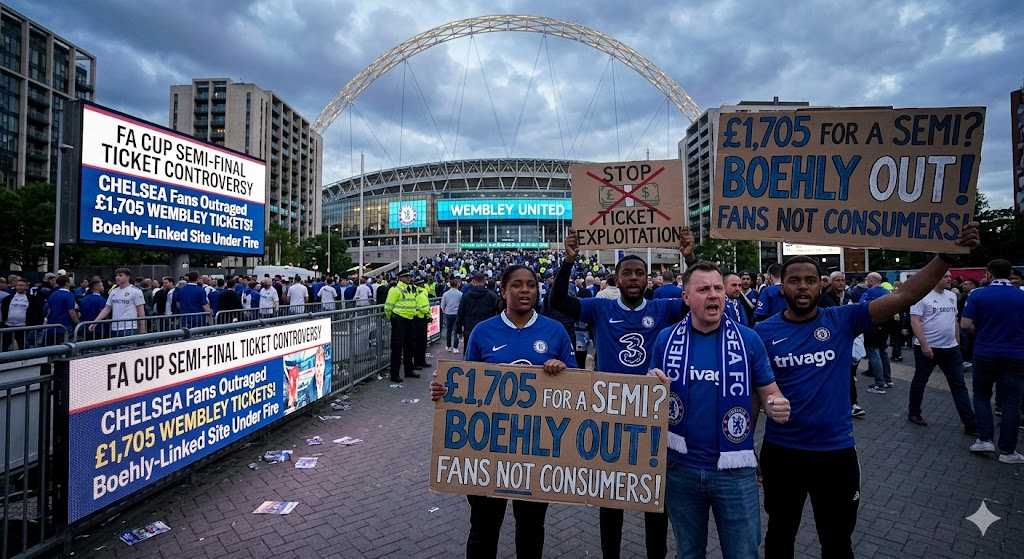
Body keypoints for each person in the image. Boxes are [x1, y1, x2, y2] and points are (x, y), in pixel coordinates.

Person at [754, 221, 979, 559]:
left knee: (837, 540)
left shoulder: (842, 319)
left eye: (811, 280)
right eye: (794, 280)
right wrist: (752, 448)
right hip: (782, 453)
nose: (803, 287)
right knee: (780, 534)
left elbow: (904, 295)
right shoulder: (762, 332)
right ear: (780, 287)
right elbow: (754, 393)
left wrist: (946, 256)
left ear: (821, 285)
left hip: (836, 454)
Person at [550, 226, 696, 559]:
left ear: (648, 279)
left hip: (653, 416)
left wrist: (689, 258)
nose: (633, 278)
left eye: (639, 273)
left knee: (654, 500)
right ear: (615, 278)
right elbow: (557, 301)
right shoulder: (600, 309)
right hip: (609, 414)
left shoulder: (664, 309)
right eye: (626, 273)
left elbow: (698, 299)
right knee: (610, 497)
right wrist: (568, 262)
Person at [428, 264, 576, 559]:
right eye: (517, 285)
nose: (525, 291)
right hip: (488, 448)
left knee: (531, 527)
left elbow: (576, 388)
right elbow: (466, 385)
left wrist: (563, 371)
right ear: (504, 290)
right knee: (483, 527)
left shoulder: (554, 330)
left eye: (531, 285)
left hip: (536, 449)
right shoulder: (484, 332)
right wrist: (444, 390)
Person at [648, 261, 790, 559]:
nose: (713, 295)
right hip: (680, 468)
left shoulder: (748, 339)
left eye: (717, 288)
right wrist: (650, 385)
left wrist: (776, 404)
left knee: (743, 554)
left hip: (734, 471)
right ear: (686, 297)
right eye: (703, 289)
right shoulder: (666, 339)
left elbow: (770, 391)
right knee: (688, 553)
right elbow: (652, 393)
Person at [962, 259, 1024, 463]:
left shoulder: (978, 294)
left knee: (981, 396)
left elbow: (965, 324)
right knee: (1011, 402)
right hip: (1015, 354)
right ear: (1010, 274)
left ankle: (985, 439)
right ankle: (1008, 451)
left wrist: (980, 332)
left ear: (989, 274)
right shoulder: (1021, 295)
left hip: (985, 352)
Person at [906, 271, 977, 434]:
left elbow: (954, 320)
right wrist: (924, 345)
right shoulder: (922, 296)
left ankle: (970, 423)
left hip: (951, 349)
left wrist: (957, 340)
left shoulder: (952, 297)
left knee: (959, 386)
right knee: (920, 381)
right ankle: (914, 412)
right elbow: (915, 321)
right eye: (945, 276)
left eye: (950, 276)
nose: (950, 279)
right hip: (927, 349)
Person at [817, 271, 863, 418]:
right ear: (831, 282)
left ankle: (852, 403)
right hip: (827, 342)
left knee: (847, 373)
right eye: (837, 280)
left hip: (844, 341)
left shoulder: (848, 296)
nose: (841, 283)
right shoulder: (824, 298)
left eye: (843, 280)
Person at [385, 270, 420, 383]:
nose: (408, 278)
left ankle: (408, 371)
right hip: (399, 321)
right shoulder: (395, 290)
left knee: (410, 347)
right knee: (397, 348)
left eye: (409, 276)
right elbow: (388, 307)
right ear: (400, 278)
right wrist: (393, 319)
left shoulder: (410, 289)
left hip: (410, 320)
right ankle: (394, 374)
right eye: (406, 276)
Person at [91, 268, 147, 337]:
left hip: (129, 328)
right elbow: (107, 309)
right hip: (115, 327)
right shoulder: (113, 291)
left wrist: (142, 328)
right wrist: (95, 322)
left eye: (120, 275)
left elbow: (141, 311)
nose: (117, 277)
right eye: (116, 275)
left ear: (128, 277)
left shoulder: (136, 291)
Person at [456, 273, 499, 345]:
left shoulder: (466, 296)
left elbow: (460, 313)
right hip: (487, 329)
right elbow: (498, 313)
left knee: (470, 351)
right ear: (485, 281)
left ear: (473, 281)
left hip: (470, 329)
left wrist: (459, 330)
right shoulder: (492, 296)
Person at [0, 279, 43, 350]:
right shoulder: (8, 299)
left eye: (21, 285)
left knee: (24, 347)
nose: (19, 287)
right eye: (18, 285)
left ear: (26, 287)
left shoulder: (32, 299)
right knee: (4, 347)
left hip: (23, 327)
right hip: (8, 326)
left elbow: (37, 313)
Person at [44, 275, 79, 345]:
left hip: (52, 325)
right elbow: (71, 311)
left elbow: (47, 308)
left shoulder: (53, 294)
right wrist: (78, 322)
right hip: (65, 326)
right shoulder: (69, 295)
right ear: (67, 283)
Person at [413, 277, 432, 369]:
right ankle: (420, 362)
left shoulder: (414, 293)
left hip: (416, 318)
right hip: (421, 319)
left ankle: (419, 361)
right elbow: (425, 308)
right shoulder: (422, 294)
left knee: (418, 342)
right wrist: (429, 316)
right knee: (421, 342)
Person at [440, 277, 463, 353]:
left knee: (448, 330)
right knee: (456, 331)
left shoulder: (445, 294)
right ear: (457, 284)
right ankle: (455, 348)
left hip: (448, 313)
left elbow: (442, 305)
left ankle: (448, 346)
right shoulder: (460, 294)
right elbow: (462, 305)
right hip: (457, 314)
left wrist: (444, 311)